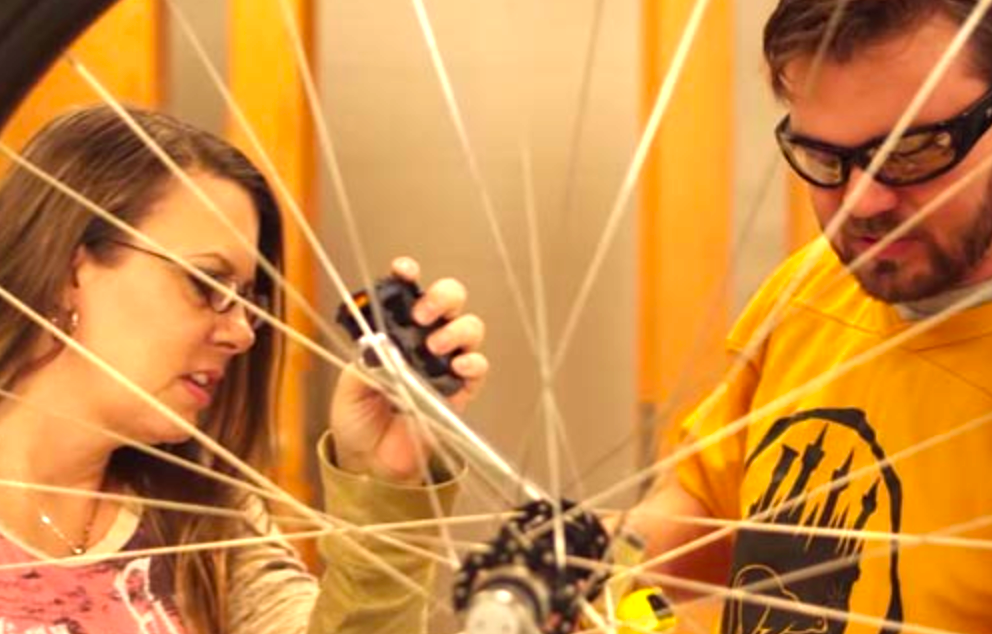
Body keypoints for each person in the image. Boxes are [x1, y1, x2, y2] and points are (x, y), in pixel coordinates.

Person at [0, 105, 488, 634]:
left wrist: (384, 479)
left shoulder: (205, 516)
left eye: (249, 301)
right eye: (206, 283)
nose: (242, 333)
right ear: (72, 270)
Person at [631, 1, 992, 632]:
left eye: (911, 151)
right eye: (824, 158)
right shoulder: (812, 283)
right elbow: (699, 508)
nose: (864, 201)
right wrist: (556, 568)